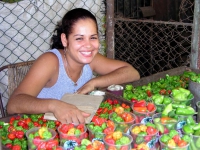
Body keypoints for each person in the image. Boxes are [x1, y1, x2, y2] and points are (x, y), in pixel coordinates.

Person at [7, 8, 140, 124]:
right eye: (79, 38)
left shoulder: (91, 60)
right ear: (65, 40)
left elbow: (132, 72)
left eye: (93, 37)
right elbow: (14, 104)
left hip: (73, 128)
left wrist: (93, 83)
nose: (88, 45)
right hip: (41, 131)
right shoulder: (50, 61)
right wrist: (54, 105)